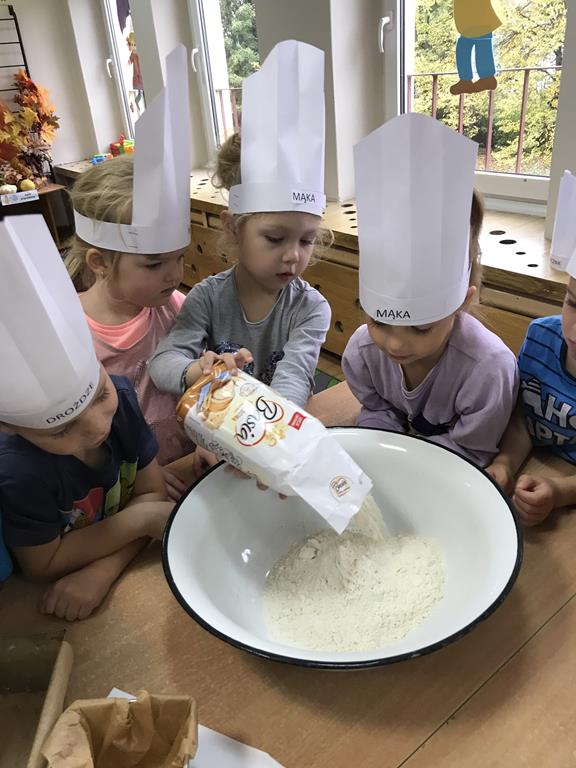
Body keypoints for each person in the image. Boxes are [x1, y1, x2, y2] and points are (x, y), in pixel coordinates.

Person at [0, 213, 173, 621]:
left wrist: (102, 569)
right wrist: (139, 520)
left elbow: (153, 503)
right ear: (9, 427)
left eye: (99, 396)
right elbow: (42, 565)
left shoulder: (123, 398)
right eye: (61, 429)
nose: (98, 427)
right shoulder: (17, 472)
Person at [149, 40, 331, 410]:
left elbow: (294, 378)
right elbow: (162, 362)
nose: (293, 256)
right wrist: (197, 370)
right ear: (233, 229)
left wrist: (272, 426)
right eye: (275, 238)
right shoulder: (207, 298)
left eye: (307, 240)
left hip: (280, 426)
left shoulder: (310, 308)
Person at [342, 113, 518, 468]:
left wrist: (407, 465)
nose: (395, 344)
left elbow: (471, 450)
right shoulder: (362, 353)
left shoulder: (487, 370)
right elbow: (376, 411)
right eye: (379, 321)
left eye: (421, 328)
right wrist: (381, 452)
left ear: (462, 302)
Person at [67, 45, 196, 500]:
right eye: (155, 264)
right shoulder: (74, 332)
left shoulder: (175, 306)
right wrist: (147, 481)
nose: (174, 274)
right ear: (100, 262)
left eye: (179, 257)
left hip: (189, 458)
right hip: (129, 485)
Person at [486, 248, 576, 526]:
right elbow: (524, 418)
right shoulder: (540, 336)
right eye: (573, 303)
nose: (574, 331)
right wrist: (505, 463)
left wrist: (559, 491)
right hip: (535, 462)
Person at [450, 0, 502, 95]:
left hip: (477, 22)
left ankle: (484, 78)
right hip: (474, 23)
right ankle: (475, 79)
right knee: (473, 48)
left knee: (470, 48)